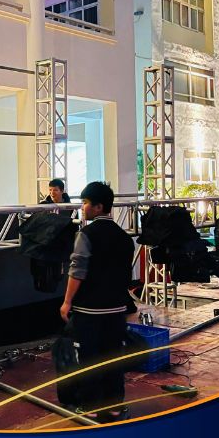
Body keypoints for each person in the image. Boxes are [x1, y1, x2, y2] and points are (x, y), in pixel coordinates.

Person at [59, 181, 133, 422]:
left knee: (89, 358)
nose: (83, 207)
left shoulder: (86, 235)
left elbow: (77, 271)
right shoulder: (125, 238)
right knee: (113, 356)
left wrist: (67, 301)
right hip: (117, 308)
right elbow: (125, 274)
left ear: (99, 207)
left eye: (85, 203)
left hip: (89, 310)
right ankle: (114, 406)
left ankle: (89, 406)